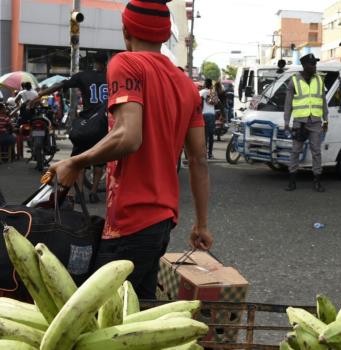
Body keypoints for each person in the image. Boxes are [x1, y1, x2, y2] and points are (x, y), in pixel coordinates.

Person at [45, 0, 212, 300]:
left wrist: (76, 163)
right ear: (164, 36)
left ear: (126, 31)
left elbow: (128, 136)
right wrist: (200, 224)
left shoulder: (125, 63)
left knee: (100, 317)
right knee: (136, 313)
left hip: (132, 220)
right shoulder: (187, 85)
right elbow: (199, 159)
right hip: (163, 221)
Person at [30, 53, 109, 203]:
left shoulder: (83, 76)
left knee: (79, 160)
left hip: (86, 124)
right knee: (100, 161)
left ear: (93, 62)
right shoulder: (111, 76)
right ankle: (93, 191)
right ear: (106, 62)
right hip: (104, 123)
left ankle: (79, 193)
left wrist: (40, 95)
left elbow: (60, 85)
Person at [284, 53, 328, 192]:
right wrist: (287, 121)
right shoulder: (294, 81)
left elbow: (323, 102)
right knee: (295, 151)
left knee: (316, 152)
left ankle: (317, 181)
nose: (315, 66)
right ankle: (292, 181)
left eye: (315, 63)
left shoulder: (320, 80)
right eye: (312, 64)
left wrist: (326, 119)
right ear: (304, 65)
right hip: (300, 122)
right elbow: (288, 104)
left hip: (315, 122)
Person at [199, 78, 217, 159]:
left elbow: (200, 104)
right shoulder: (213, 92)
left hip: (204, 115)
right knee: (211, 135)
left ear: (205, 84)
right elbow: (218, 103)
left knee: (204, 135)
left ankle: (204, 154)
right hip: (212, 115)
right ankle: (210, 154)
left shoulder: (201, 92)